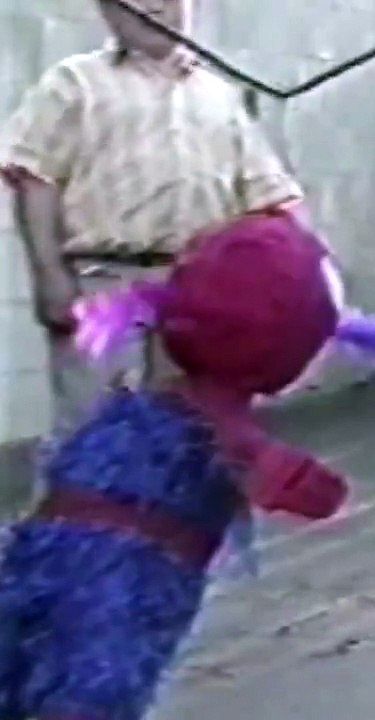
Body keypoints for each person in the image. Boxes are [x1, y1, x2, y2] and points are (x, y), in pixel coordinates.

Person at [0, 212, 349, 720]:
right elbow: (314, 495)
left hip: (39, 570)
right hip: (112, 610)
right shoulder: (222, 436)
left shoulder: (129, 416)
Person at [0, 0, 304, 435]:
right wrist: (50, 278)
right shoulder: (74, 84)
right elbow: (34, 177)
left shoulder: (221, 96)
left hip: (194, 289)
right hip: (100, 282)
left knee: (191, 428)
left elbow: (270, 198)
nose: (151, 6)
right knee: (89, 431)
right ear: (107, 11)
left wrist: (294, 283)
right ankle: (79, 503)